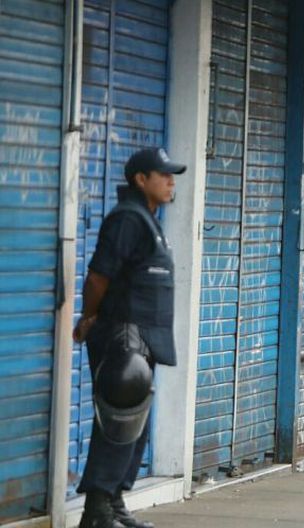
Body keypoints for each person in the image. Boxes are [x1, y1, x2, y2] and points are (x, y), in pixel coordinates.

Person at [72, 148, 185, 528]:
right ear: (140, 179)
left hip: (143, 338)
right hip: (123, 335)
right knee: (117, 423)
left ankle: (115, 500)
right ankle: (97, 511)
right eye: (163, 175)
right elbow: (98, 277)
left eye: (172, 175)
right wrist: (89, 316)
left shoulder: (148, 220)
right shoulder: (127, 219)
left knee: (133, 426)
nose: (170, 182)